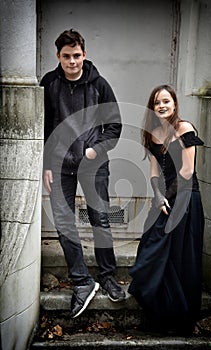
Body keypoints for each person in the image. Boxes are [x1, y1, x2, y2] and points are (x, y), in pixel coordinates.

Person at [40, 29, 126, 318]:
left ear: (84, 54)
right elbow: (43, 129)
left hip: (93, 163)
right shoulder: (49, 83)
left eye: (76, 55)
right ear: (58, 57)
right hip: (61, 164)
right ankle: (82, 281)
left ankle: (108, 276)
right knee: (64, 221)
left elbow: (114, 128)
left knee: (99, 217)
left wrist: (94, 150)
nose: (72, 61)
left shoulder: (99, 85)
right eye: (66, 56)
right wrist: (47, 165)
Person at [128, 84, 204, 335]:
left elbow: (187, 171)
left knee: (182, 259)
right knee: (151, 253)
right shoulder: (152, 133)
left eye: (166, 102)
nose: (161, 106)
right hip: (164, 200)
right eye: (157, 102)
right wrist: (158, 196)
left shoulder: (185, 128)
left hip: (184, 200)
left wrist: (166, 197)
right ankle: (159, 317)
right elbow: (153, 170)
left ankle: (182, 321)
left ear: (174, 104)